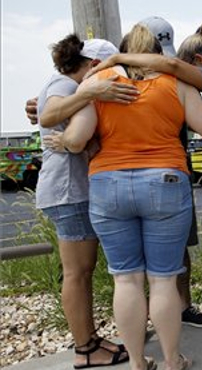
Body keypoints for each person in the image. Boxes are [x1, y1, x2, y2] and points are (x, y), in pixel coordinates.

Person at [62, 24, 202, 369]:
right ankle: (173, 360)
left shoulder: (99, 82)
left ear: (127, 47)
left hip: (108, 182)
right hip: (165, 180)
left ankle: (138, 363)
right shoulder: (177, 83)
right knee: (163, 279)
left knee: (125, 278)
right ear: (158, 54)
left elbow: (76, 139)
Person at [32, 34, 137, 369]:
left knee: (82, 270)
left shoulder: (62, 83)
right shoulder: (65, 85)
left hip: (70, 189)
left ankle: (90, 340)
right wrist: (91, 91)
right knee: (77, 272)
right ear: (94, 65)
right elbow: (49, 116)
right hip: (68, 190)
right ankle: (85, 348)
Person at [138, 15, 202, 329]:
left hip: (174, 172)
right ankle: (142, 315)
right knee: (136, 256)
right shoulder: (118, 79)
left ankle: (183, 306)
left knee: (180, 246)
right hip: (141, 172)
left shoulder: (177, 81)